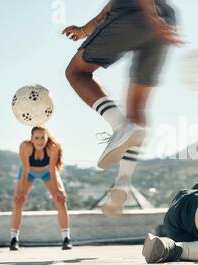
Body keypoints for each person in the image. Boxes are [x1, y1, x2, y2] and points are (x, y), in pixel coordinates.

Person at [63, 0, 182, 214]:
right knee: (136, 108)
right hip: (166, 19)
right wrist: (84, 30)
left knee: (76, 72)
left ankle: (120, 127)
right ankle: (123, 183)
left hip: (136, 14)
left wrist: (151, 16)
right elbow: (107, 9)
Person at [11, 127, 72, 251]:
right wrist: (21, 191)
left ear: (47, 138)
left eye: (42, 138)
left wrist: (58, 191)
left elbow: (52, 170)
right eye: (36, 138)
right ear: (31, 139)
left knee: (60, 199)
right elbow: (26, 169)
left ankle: (66, 238)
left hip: (47, 172)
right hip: (28, 173)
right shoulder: (25, 146)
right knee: (18, 200)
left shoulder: (53, 148)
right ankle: (14, 239)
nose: (40, 141)